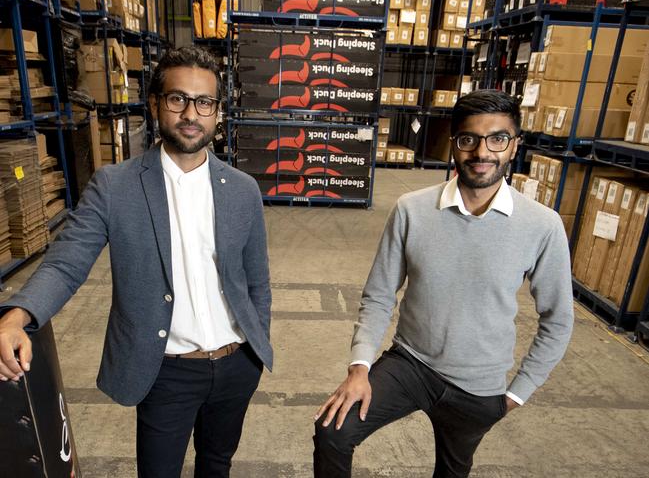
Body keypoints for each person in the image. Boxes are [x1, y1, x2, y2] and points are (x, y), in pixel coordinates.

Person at [0, 46, 272, 478]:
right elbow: (65, 263)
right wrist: (18, 316)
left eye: (204, 103)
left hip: (237, 365)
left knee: (217, 464)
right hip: (166, 371)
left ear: (217, 113)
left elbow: (258, 280)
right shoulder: (116, 186)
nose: (191, 114)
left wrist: (256, 346)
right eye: (177, 99)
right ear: (155, 104)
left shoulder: (242, 190)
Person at [313, 89, 574, 477]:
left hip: (479, 385)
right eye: (469, 139)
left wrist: (518, 392)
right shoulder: (412, 210)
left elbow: (558, 320)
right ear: (454, 144)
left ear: (514, 146)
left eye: (497, 139)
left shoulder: (542, 225)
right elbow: (379, 296)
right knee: (332, 431)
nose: (482, 152)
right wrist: (360, 367)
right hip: (411, 364)